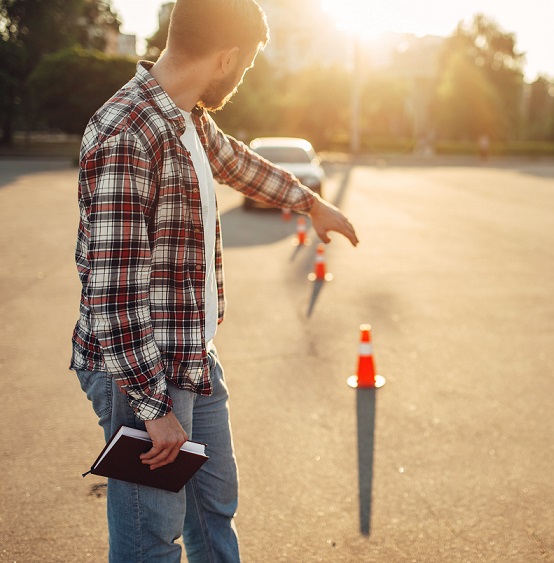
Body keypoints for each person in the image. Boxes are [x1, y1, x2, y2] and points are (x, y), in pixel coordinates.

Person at [70, 0, 358, 560]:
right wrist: (154, 410)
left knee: (213, 510)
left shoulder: (188, 116)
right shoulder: (127, 133)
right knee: (150, 539)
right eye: (246, 66)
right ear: (226, 58)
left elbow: (236, 162)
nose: (242, 77)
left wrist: (309, 202)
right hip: (143, 371)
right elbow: (113, 294)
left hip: (192, 355)